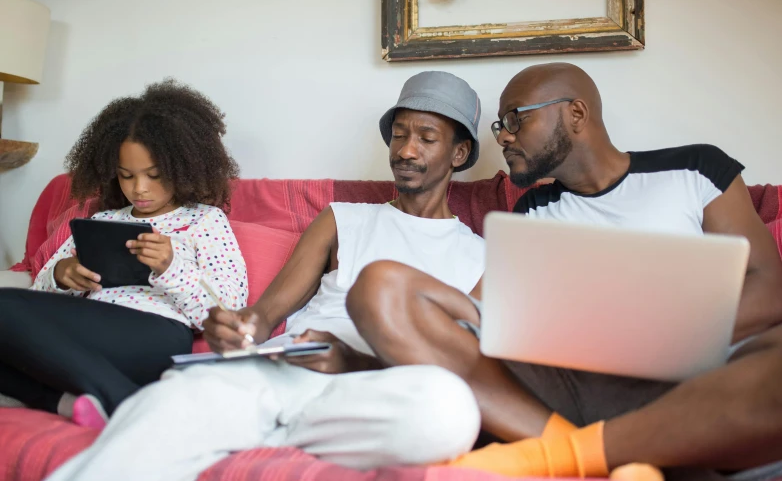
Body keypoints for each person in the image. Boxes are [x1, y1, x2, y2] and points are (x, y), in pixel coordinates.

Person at [346, 63, 782, 480]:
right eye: (500, 125)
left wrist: (646, 332)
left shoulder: (695, 169)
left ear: (575, 113)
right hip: (567, 394)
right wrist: (359, 356)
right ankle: (605, 453)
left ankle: (572, 455)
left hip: (699, 389)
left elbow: (769, 293)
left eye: (515, 119)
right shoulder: (531, 212)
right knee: (379, 288)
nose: (504, 137)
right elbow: (479, 318)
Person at [45, 71, 485, 481]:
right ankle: (243, 423)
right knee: (176, 398)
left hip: (371, 390)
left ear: (459, 153)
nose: (406, 150)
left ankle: (250, 434)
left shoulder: (480, 256)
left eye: (426, 138)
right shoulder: (343, 218)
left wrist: (354, 362)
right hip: (286, 367)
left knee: (450, 411)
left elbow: (459, 362)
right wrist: (238, 327)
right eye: (400, 135)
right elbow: (266, 312)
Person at [0, 80, 248, 429]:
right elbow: (38, 297)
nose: (139, 188)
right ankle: (70, 403)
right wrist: (61, 274)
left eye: (154, 175)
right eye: (126, 176)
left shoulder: (204, 220)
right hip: (86, 324)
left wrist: (171, 266)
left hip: (157, 333)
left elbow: (229, 308)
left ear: (184, 167)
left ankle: (119, 397)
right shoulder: (102, 220)